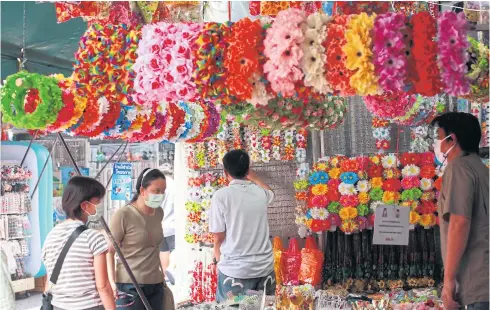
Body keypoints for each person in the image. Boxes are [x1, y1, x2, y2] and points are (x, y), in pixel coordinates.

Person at [431, 112, 489, 310]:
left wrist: (448, 282)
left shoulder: (458, 168)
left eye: (439, 138)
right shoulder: (482, 169)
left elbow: (459, 222)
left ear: (452, 139)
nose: (438, 145)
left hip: (476, 284)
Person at [210, 150, 275, 303]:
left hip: (234, 272)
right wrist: (255, 177)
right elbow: (271, 192)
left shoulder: (221, 196)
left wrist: (217, 260)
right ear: (248, 170)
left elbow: (218, 236)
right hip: (264, 269)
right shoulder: (260, 193)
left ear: (225, 172)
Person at [41, 176, 115, 310]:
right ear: (84, 205)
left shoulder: (51, 236)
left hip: (58, 305)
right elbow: (103, 286)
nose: (98, 206)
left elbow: (49, 279)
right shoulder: (92, 237)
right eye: (97, 202)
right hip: (89, 305)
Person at [107, 168, 166, 310]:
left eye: (163, 191)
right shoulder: (123, 215)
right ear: (142, 190)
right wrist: (111, 282)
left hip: (156, 284)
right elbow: (109, 251)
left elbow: (153, 246)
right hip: (130, 286)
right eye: (156, 191)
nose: (161, 195)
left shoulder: (158, 212)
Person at [160, 174, 175, 285]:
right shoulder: (174, 185)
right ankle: (173, 275)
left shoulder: (159, 187)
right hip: (173, 226)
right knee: (174, 253)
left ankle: (166, 278)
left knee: (164, 251)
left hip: (161, 226)